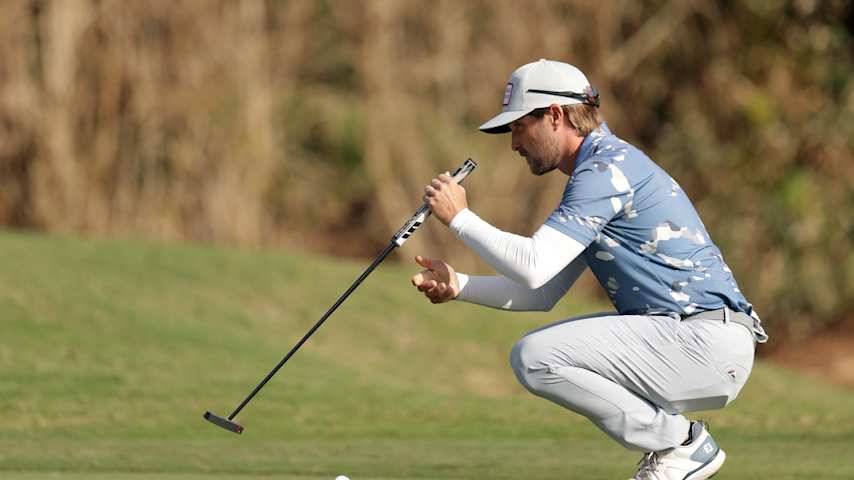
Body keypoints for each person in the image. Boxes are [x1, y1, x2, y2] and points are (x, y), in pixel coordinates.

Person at [410, 59, 768, 480]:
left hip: (702, 341)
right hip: (700, 340)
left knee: (537, 356)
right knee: (537, 355)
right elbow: (540, 291)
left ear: (556, 116)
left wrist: (460, 219)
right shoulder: (600, 171)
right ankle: (678, 447)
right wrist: (460, 286)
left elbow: (532, 265)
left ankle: (681, 445)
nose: (513, 144)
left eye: (519, 126)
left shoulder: (605, 169)